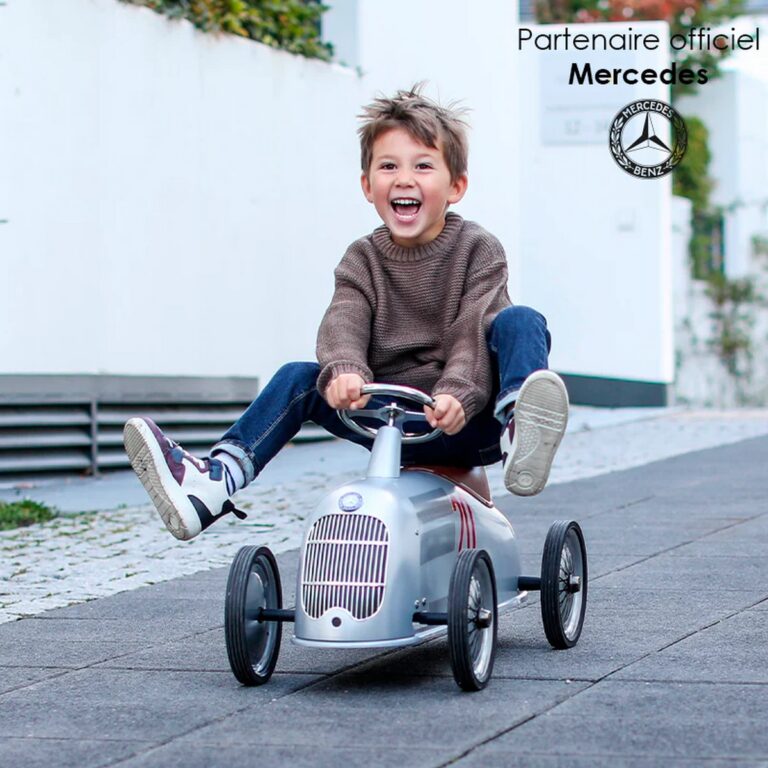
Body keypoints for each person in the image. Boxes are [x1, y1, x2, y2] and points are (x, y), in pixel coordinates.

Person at [123, 84, 569, 542]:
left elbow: (471, 329)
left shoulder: (477, 249)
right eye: (388, 166)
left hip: (465, 417)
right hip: (386, 415)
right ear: (367, 185)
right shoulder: (362, 258)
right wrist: (345, 371)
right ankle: (214, 483)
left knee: (521, 320)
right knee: (298, 377)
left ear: (456, 186)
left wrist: (458, 393)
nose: (404, 179)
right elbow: (344, 320)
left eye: (422, 166)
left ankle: (521, 428)